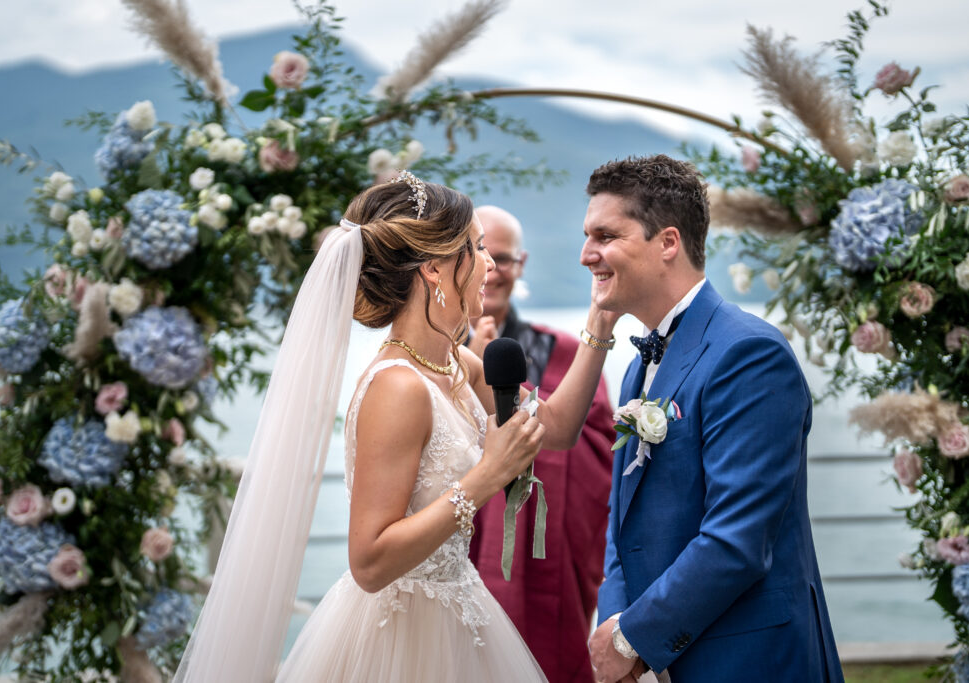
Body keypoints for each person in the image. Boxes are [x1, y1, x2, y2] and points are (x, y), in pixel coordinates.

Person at [175, 172, 620, 682]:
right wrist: (487, 476)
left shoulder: (459, 364)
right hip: (399, 635)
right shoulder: (398, 387)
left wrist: (600, 323)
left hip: (462, 613)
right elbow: (369, 562)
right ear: (434, 269)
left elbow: (557, 430)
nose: (491, 266)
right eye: (477, 248)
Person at [582, 156, 843, 683]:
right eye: (588, 237)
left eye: (605, 236)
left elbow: (737, 539)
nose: (587, 255)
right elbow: (622, 518)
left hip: (747, 661)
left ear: (668, 243)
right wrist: (615, 621)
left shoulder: (748, 354)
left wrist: (634, 638)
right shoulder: (638, 367)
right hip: (664, 656)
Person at [466, 205, 615, 683]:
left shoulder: (562, 352)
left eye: (503, 258)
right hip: (457, 547)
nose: (492, 268)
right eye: (480, 252)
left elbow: (593, 445)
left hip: (548, 563)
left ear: (522, 264)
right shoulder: (429, 357)